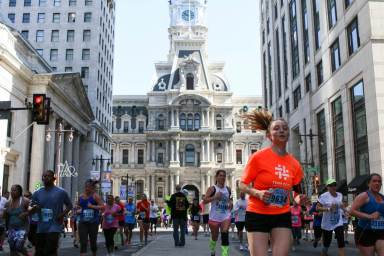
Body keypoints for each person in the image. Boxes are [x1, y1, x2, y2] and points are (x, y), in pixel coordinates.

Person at [239, 110, 306, 256]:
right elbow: (242, 184)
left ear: (288, 134)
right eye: (277, 128)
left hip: (281, 214)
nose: (282, 130)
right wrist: (257, 193)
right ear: (269, 136)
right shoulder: (258, 157)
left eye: (285, 128)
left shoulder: (294, 164)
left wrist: (298, 199)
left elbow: (295, 192)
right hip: (257, 213)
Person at [30, 170, 73, 256]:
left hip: (55, 226)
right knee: (39, 252)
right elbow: (31, 207)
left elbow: (70, 205)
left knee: (50, 250)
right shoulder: (37, 193)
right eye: (44, 176)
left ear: (54, 178)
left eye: (48, 176)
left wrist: (62, 214)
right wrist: (33, 208)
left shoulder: (61, 192)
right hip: (41, 227)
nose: (46, 178)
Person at [350, 173, 384, 256]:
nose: (377, 183)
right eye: (374, 181)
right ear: (368, 183)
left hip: (381, 232)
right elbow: (352, 211)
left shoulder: (382, 197)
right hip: (365, 232)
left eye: (379, 182)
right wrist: (370, 216)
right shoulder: (364, 196)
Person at [203, 170, 233, 256]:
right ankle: (212, 248)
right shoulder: (212, 189)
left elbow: (230, 200)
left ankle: (225, 254)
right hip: (214, 217)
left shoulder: (228, 189)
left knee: (225, 233)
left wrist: (231, 204)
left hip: (225, 216)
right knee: (214, 237)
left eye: (224, 176)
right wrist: (214, 197)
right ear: (216, 177)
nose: (222, 177)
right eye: (220, 175)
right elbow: (204, 201)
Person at [316, 178, 346, 256]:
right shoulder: (324, 196)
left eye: (334, 185)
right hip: (327, 224)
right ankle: (324, 253)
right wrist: (328, 209)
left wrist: (345, 209)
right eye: (331, 185)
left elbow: (342, 206)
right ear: (327, 187)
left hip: (338, 222)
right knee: (326, 244)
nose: (333, 187)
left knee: (341, 241)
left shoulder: (340, 195)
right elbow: (317, 208)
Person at [77, 179, 104, 256]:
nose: (87, 189)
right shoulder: (81, 196)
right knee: (83, 242)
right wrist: (78, 209)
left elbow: (103, 207)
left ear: (92, 188)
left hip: (93, 222)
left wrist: (92, 206)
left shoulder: (95, 196)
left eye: (89, 187)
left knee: (93, 242)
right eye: (86, 187)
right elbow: (78, 205)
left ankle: (94, 253)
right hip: (83, 222)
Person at [4, 185, 30, 256]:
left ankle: (27, 255)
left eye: (14, 190)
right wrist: (4, 213)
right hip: (11, 228)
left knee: (18, 246)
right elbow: (5, 217)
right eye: (11, 190)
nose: (12, 192)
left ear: (19, 192)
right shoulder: (8, 203)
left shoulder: (25, 201)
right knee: (12, 247)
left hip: (22, 228)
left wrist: (25, 213)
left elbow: (33, 209)